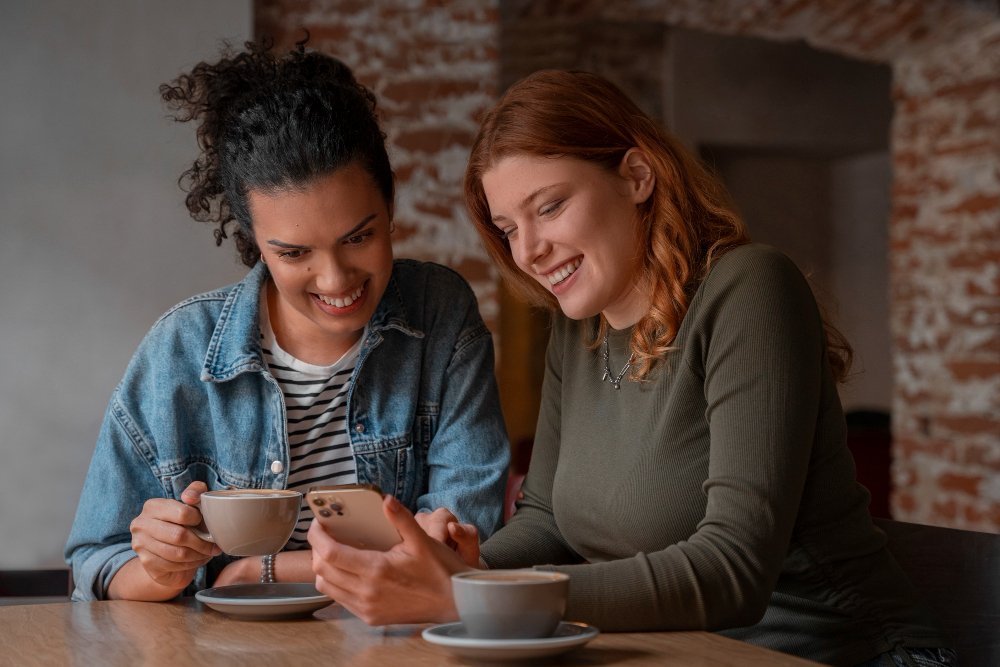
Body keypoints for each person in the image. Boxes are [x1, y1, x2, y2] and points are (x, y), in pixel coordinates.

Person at [307, 70, 956, 667]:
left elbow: (733, 569)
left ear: (637, 175)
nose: (528, 251)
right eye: (507, 227)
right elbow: (548, 522)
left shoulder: (750, 291)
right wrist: (442, 565)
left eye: (550, 206)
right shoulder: (576, 325)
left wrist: (470, 595)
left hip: (843, 653)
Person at [64, 39, 509, 602]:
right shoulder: (179, 350)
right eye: (295, 253)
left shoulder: (439, 314)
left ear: (391, 205)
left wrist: (257, 571)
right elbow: (91, 563)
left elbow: (462, 543)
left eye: (359, 237)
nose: (335, 280)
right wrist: (159, 569)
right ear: (255, 243)